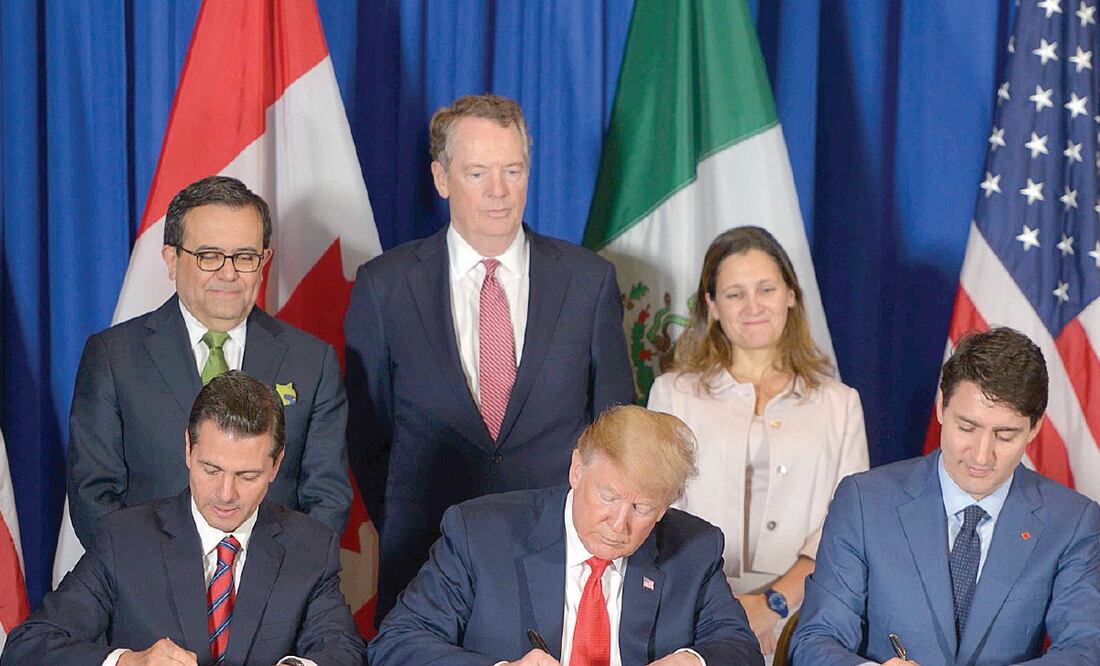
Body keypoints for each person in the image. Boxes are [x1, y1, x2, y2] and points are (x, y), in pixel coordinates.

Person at [345, 93, 634, 623]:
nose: (499, 192)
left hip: (558, 559)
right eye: (478, 173)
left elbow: (615, 430)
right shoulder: (384, 287)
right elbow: (368, 438)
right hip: (425, 557)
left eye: (513, 170)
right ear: (441, 178)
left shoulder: (589, 282)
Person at [2, 371, 366, 666]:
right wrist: (128, 662)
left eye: (247, 476)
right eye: (211, 469)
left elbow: (345, 652)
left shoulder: (311, 547)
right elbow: (27, 647)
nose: (226, 494)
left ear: (276, 465)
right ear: (188, 451)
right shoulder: (124, 539)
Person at [67, 175, 350, 549]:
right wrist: (154, 584)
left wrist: (275, 587)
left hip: (274, 595)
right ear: (172, 259)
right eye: (209, 256)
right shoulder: (114, 357)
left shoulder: (312, 362)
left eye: (245, 257)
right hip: (147, 592)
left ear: (264, 260)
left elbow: (326, 500)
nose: (228, 273)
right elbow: (94, 497)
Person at [791, 327, 1100, 665]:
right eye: (966, 427)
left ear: (1035, 427)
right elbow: (814, 640)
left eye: (1005, 435)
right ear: (941, 407)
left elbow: (1083, 649)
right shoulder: (864, 502)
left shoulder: (1073, 522)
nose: (981, 456)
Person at [368, 404, 762, 666]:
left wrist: (693, 660)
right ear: (576, 470)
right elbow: (397, 643)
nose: (618, 523)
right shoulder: (481, 535)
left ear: (664, 508)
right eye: (608, 496)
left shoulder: (694, 548)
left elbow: (739, 647)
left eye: (642, 509)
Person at [646, 226, 868, 658]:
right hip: (692, 615)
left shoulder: (840, 404)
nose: (753, 306)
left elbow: (849, 529)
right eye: (734, 294)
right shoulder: (673, 394)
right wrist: (726, 611)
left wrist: (774, 604)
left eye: (766, 288)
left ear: (790, 294)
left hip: (808, 617)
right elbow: (660, 514)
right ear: (711, 305)